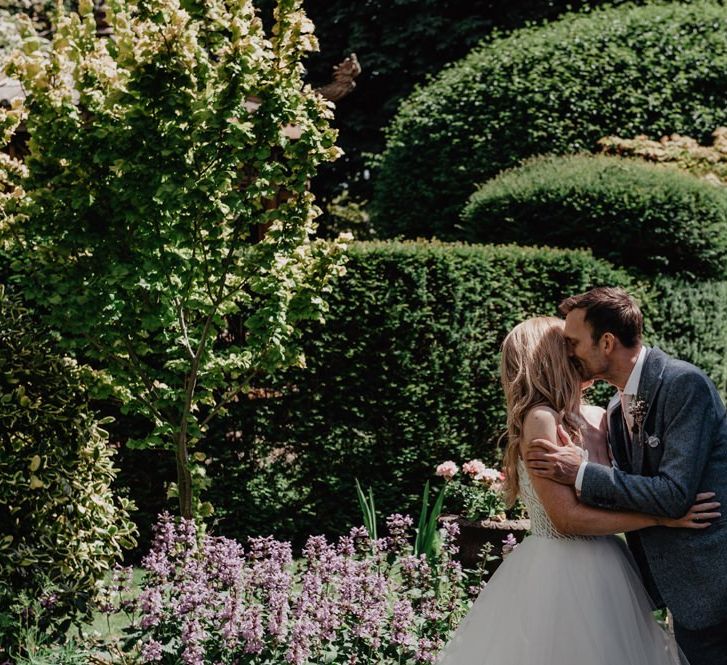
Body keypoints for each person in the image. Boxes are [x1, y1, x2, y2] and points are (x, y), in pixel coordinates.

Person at [436, 316, 718, 665]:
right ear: (550, 358)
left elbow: (622, 488)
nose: (577, 352)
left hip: (610, 564)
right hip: (562, 569)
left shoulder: (602, 415)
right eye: (567, 346)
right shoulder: (541, 419)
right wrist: (661, 518)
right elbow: (566, 519)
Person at [524, 288, 727, 665]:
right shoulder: (617, 407)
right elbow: (635, 492)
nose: (567, 352)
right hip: (680, 591)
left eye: (573, 342)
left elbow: (673, 496)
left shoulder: (684, 384)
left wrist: (581, 472)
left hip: (715, 586)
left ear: (606, 342)